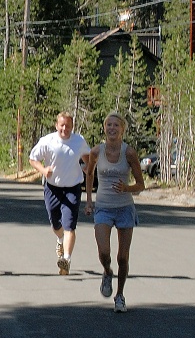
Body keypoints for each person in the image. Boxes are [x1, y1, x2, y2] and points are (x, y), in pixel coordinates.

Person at [84, 112, 145, 313]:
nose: (112, 128)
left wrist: (126, 188)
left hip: (124, 208)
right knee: (104, 252)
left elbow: (141, 184)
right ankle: (107, 272)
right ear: (104, 128)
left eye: (116, 125)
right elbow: (90, 173)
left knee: (123, 257)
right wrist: (89, 201)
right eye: (109, 125)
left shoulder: (129, 153)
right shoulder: (95, 152)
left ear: (122, 130)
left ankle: (119, 296)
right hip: (103, 207)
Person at [29, 112, 91, 275]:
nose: (65, 128)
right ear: (56, 125)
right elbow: (33, 159)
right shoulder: (47, 141)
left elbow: (87, 157)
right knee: (56, 224)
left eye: (68, 125)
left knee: (70, 224)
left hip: (73, 187)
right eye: (62, 125)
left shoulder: (79, 141)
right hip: (52, 187)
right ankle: (60, 240)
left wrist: (86, 166)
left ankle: (67, 259)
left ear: (72, 126)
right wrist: (43, 170)